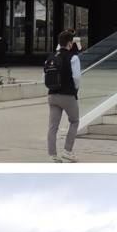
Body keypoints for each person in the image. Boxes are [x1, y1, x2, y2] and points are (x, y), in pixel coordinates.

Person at [45, 29, 81, 162]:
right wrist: (75, 89)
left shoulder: (50, 57)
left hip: (52, 96)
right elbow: (76, 77)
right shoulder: (73, 57)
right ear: (70, 43)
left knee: (53, 126)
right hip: (68, 95)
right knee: (74, 121)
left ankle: (52, 156)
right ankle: (67, 150)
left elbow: (44, 76)